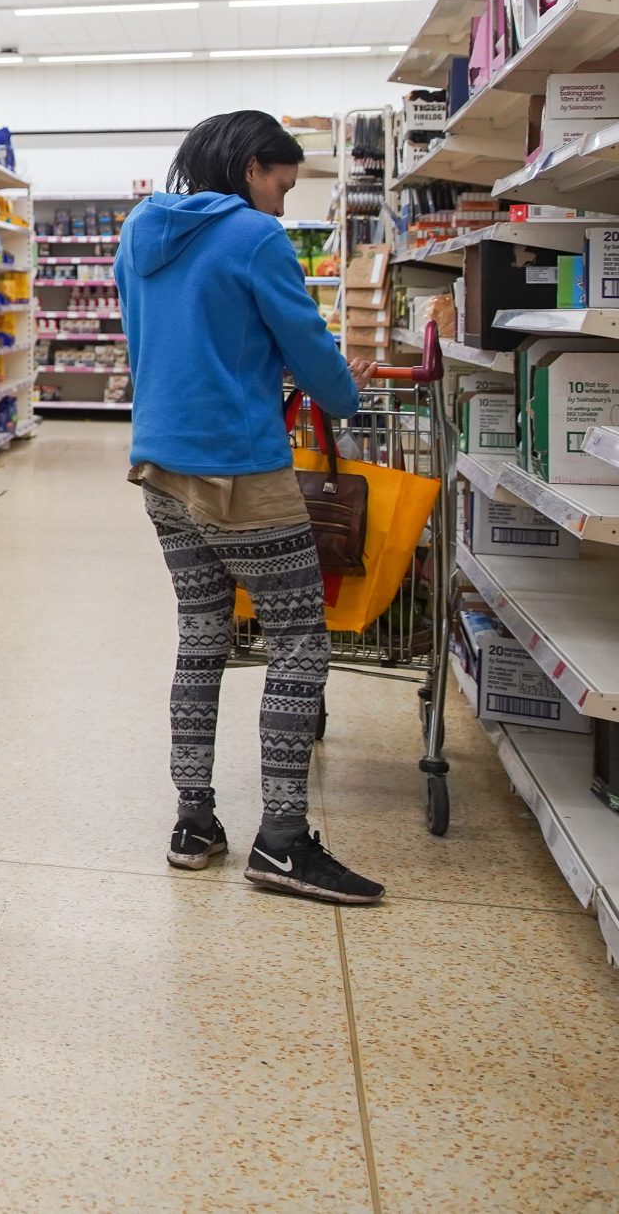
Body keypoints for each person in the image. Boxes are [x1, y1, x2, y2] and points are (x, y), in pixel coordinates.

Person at [117, 110, 382, 905]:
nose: (282, 204)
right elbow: (311, 352)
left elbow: (155, 341)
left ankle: (193, 821)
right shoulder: (255, 237)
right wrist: (346, 389)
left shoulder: (139, 229)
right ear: (250, 169)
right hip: (240, 470)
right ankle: (283, 841)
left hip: (159, 466)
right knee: (298, 641)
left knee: (203, 636)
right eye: (282, 186)